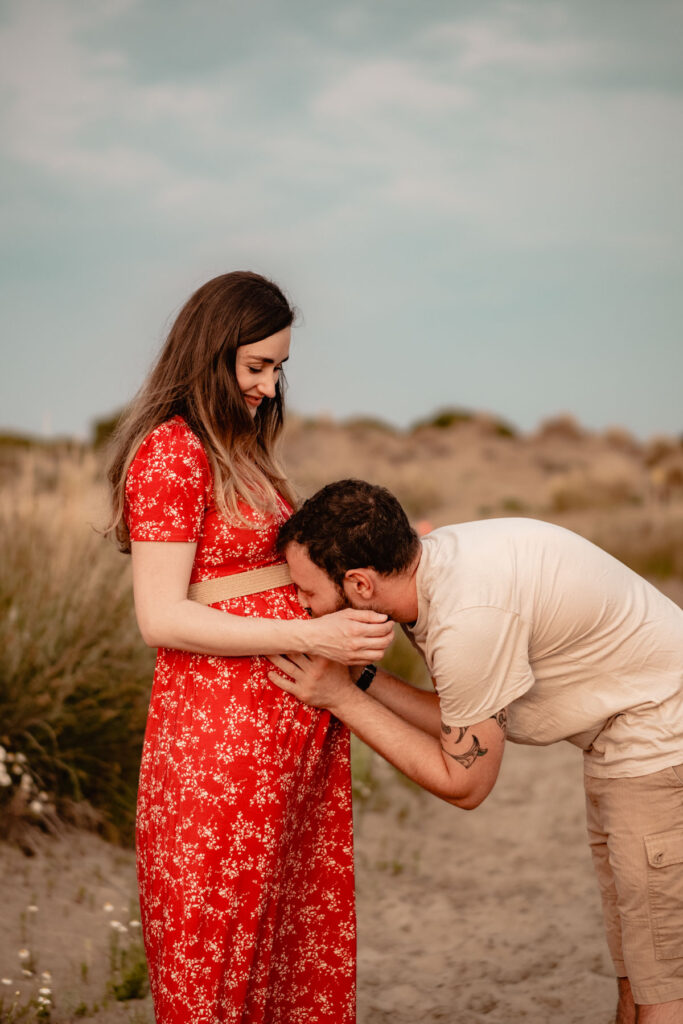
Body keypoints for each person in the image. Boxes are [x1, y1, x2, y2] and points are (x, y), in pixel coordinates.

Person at [268, 478, 683, 1024]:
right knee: (634, 953)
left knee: (661, 977)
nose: (299, 604)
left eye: (306, 591)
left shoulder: (468, 618)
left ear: (360, 584)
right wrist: (364, 678)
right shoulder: (439, 568)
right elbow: (466, 717)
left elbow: (465, 783)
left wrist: (340, 698)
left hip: (659, 738)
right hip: (625, 735)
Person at [106, 278, 393, 1024]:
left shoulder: (240, 450)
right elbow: (160, 618)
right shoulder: (170, 455)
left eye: (277, 368)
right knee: (220, 950)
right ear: (210, 355)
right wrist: (311, 635)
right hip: (219, 749)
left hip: (282, 744)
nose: (269, 386)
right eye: (254, 366)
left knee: (287, 946)